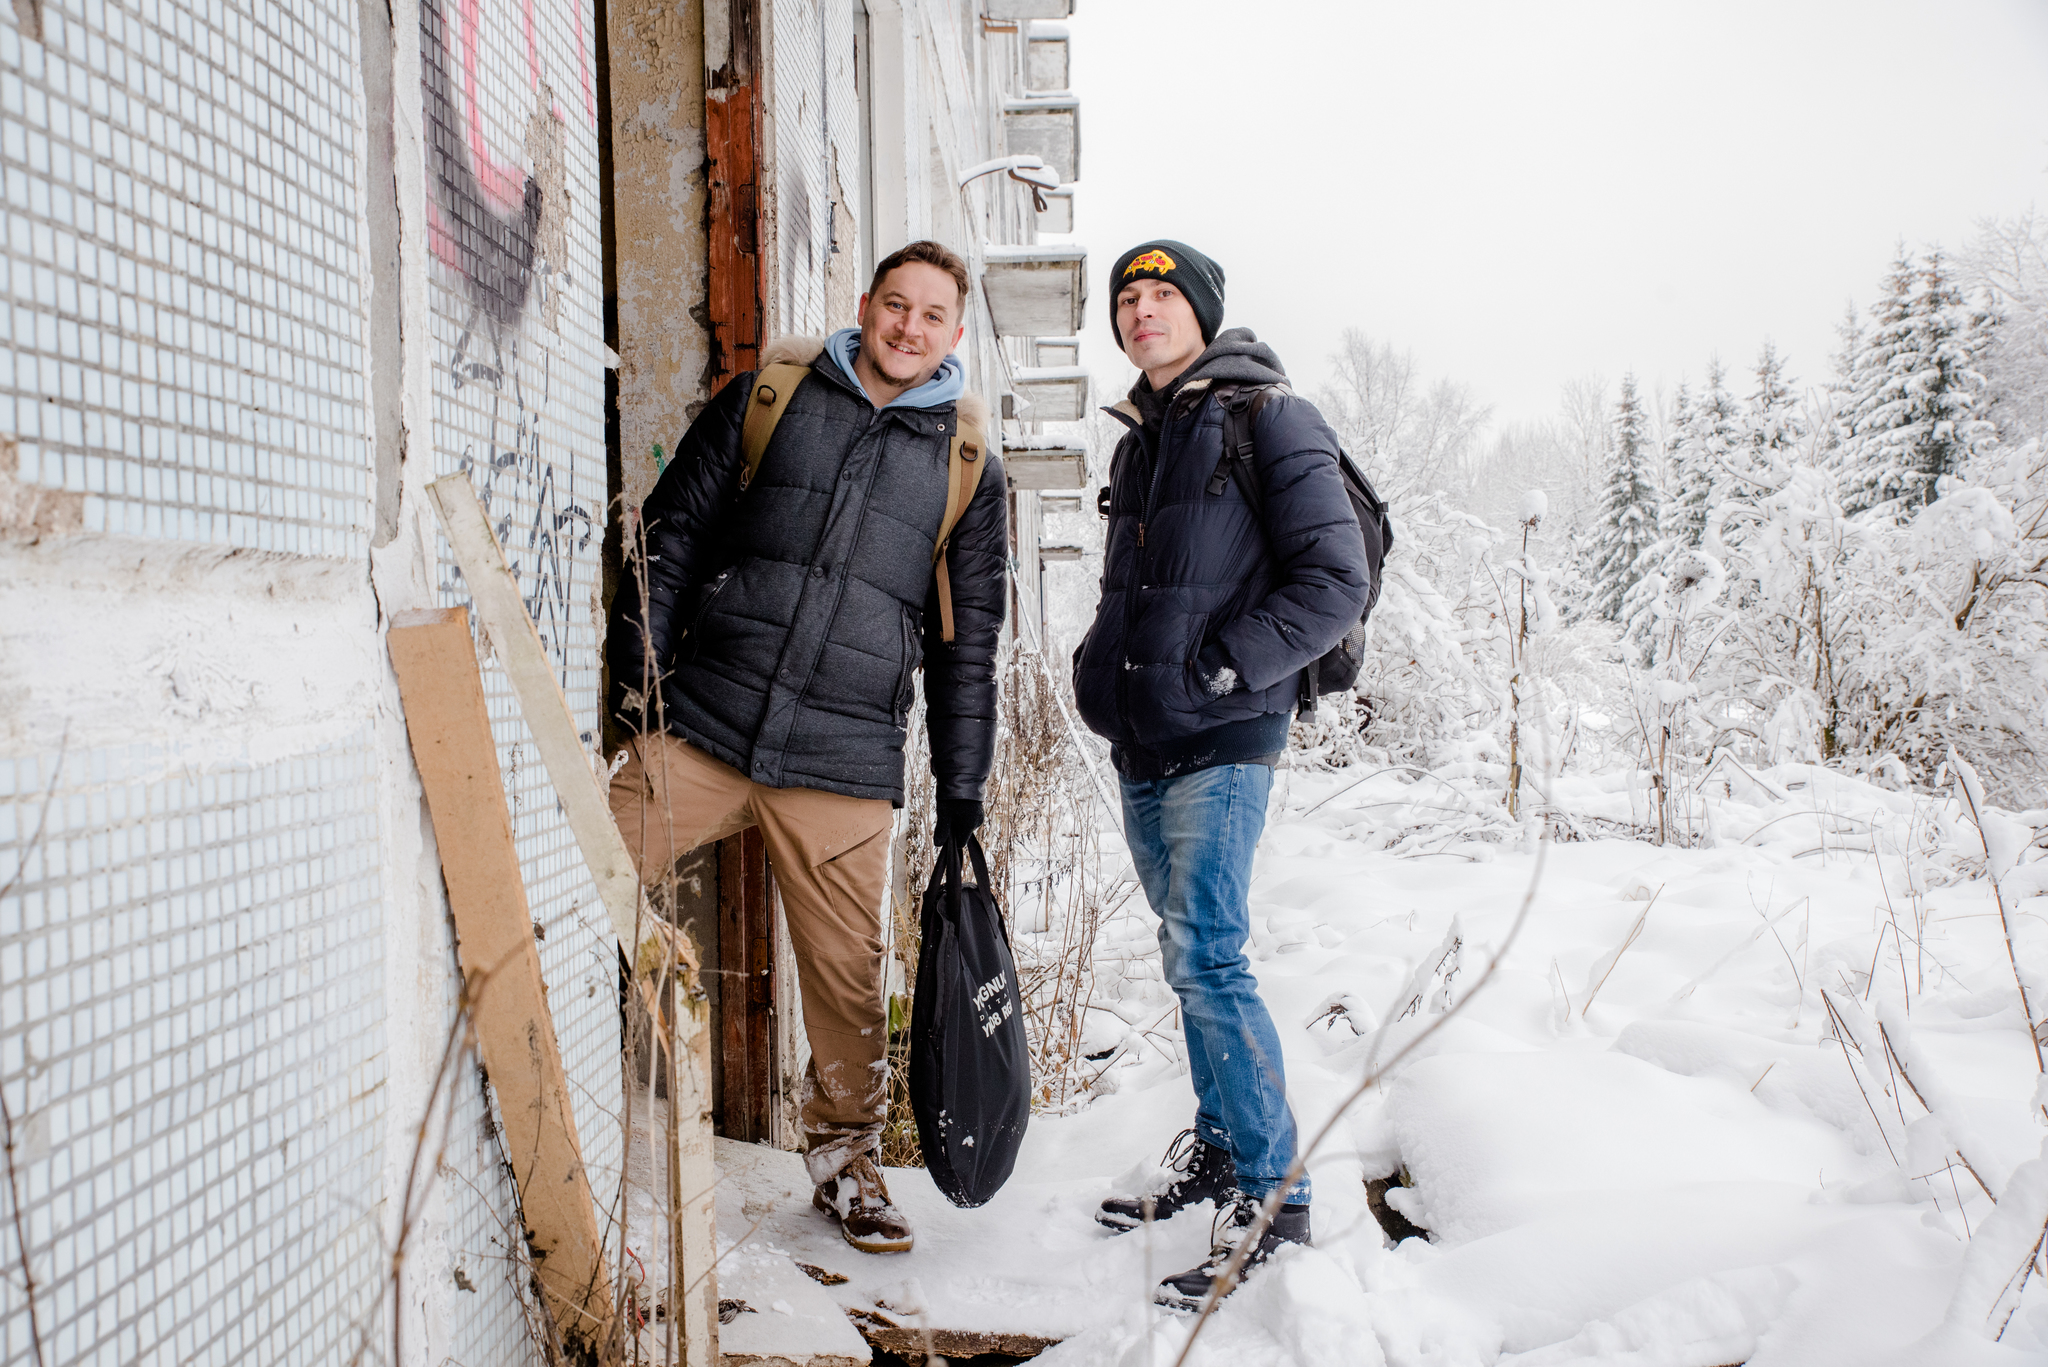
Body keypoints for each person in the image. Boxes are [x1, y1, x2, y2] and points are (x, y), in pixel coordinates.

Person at [607, 240, 1007, 1256]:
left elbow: (968, 646)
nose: (907, 328)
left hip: (842, 757)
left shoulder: (967, 466)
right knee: (581, 882)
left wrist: (960, 787)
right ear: (865, 305)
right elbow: (674, 532)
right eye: (895, 305)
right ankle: (564, 1060)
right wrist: (638, 682)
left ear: (953, 336)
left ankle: (844, 1157)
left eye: (930, 316)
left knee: (843, 975)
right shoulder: (773, 393)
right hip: (704, 720)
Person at [1073, 240, 1371, 1308]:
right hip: (1144, 736)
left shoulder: (1268, 419)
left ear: (1201, 314)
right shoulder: (1141, 442)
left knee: (1208, 953)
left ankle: (1269, 1193)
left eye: (1161, 296)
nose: (1142, 312)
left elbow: (1334, 580)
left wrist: (1225, 661)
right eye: (1127, 299)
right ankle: (1214, 1146)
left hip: (1223, 728)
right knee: (1185, 953)